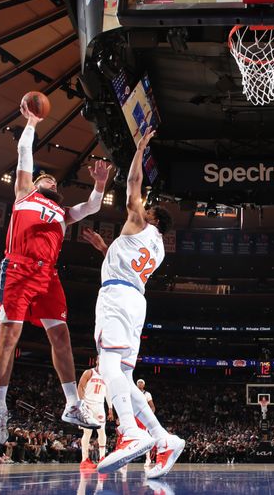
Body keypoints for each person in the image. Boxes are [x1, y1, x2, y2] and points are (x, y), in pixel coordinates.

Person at [0, 99, 112, 445]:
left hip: (48, 276)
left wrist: (100, 183)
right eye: (45, 176)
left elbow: (92, 206)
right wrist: (30, 123)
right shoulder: (23, 194)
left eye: (53, 179)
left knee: (62, 337)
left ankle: (73, 404)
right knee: (8, 338)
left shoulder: (62, 212)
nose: (49, 179)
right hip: (17, 268)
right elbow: (24, 154)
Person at [89, 126, 183, 478]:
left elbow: (132, 183)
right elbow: (127, 263)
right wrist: (103, 249)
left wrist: (141, 147)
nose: (143, 208)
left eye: (149, 209)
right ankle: (162, 436)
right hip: (135, 301)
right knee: (125, 376)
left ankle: (130, 433)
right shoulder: (157, 248)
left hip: (116, 297)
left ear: (153, 218)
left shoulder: (139, 222)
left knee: (107, 365)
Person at [78, 361, 113, 470]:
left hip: (100, 406)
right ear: (97, 360)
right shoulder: (89, 372)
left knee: (102, 431)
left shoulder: (107, 376)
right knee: (87, 432)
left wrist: (110, 408)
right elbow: (80, 387)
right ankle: (84, 460)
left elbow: (108, 393)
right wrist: (81, 404)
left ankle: (102, 458)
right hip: (88, 405)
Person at [136, 379, 156, 468]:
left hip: (143, 417)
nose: (140, 384)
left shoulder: (147, 394)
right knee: (130, 436)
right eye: (138, 383)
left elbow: (152, 407)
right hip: (134, 416)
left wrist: (150, 416)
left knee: (145, 437)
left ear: (144, 385)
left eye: (141, 383)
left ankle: (148, 459)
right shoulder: (133, 393)